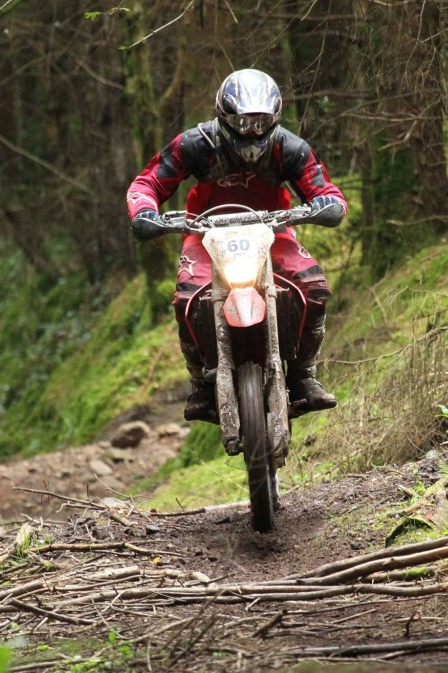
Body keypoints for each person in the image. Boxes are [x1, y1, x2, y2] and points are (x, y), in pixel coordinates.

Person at [126, 68, 346, 423]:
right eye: (242, 122)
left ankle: (304, 375)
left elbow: (325, 190)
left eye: (260, 123)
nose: (251, 132)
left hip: (272, 230)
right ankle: (199, 383)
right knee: (186, 298)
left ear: (274, 118)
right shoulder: (196, 144)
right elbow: (148, 181)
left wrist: (326, 206)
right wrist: (145, 212)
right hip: (205, 233)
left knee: (315, 287)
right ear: (224, 117)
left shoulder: (288, 147)